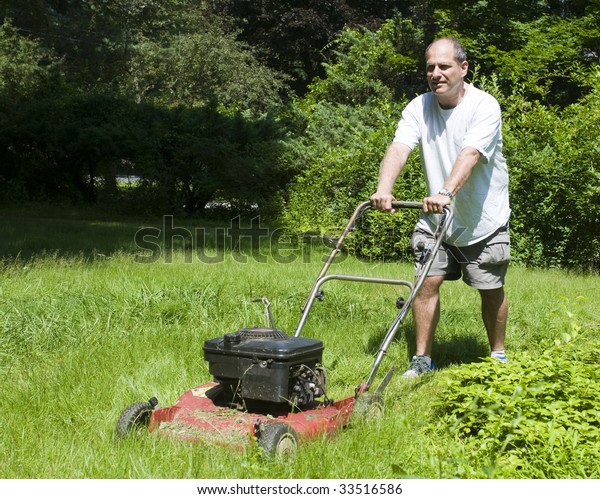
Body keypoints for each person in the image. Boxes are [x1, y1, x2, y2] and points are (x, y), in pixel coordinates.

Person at [370, 37, 510, 378]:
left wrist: (446, 191)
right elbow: (399, 147)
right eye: (430, 67)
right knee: (425, 284)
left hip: (482, 219)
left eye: (443, 66)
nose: (435, 73)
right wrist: (383, 190)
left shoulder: (484, 105)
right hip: (435, 220)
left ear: (463, 68)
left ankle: (498, 353)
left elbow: (471, 154)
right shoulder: (418, 107)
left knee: (489, 289)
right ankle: (422, 359)